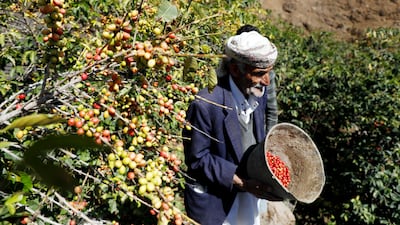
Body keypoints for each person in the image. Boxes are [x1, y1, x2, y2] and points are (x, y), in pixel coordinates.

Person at [182, 27, 281, 225]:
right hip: (216, 202)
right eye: (260, 73)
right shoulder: (206, 104)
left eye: (268, 73)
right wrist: (242, 183)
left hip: (248, 193)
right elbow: (198, 159)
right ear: (235, 69)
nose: (267, 81)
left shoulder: (256, 92)